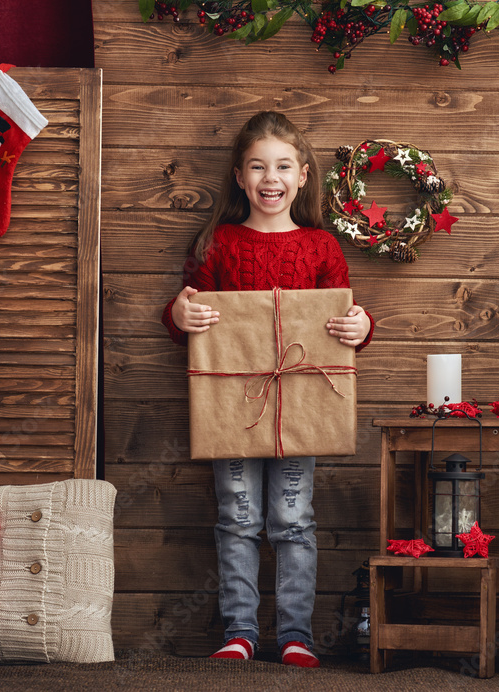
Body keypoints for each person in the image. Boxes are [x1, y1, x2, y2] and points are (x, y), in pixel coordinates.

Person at [162, 111, 373, 668]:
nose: (270, 178)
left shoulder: (321, 247)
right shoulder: (218, 243)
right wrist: (179, 313)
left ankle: (295, 635)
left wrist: (362, 326)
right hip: (232, 406)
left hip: (302, 402)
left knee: (294, 517)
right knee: (236, 514)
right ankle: (240, 632)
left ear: (303, 176)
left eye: (282, 166)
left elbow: (342, 317)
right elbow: (185, 310)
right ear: (239, 176)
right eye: (258, 166)